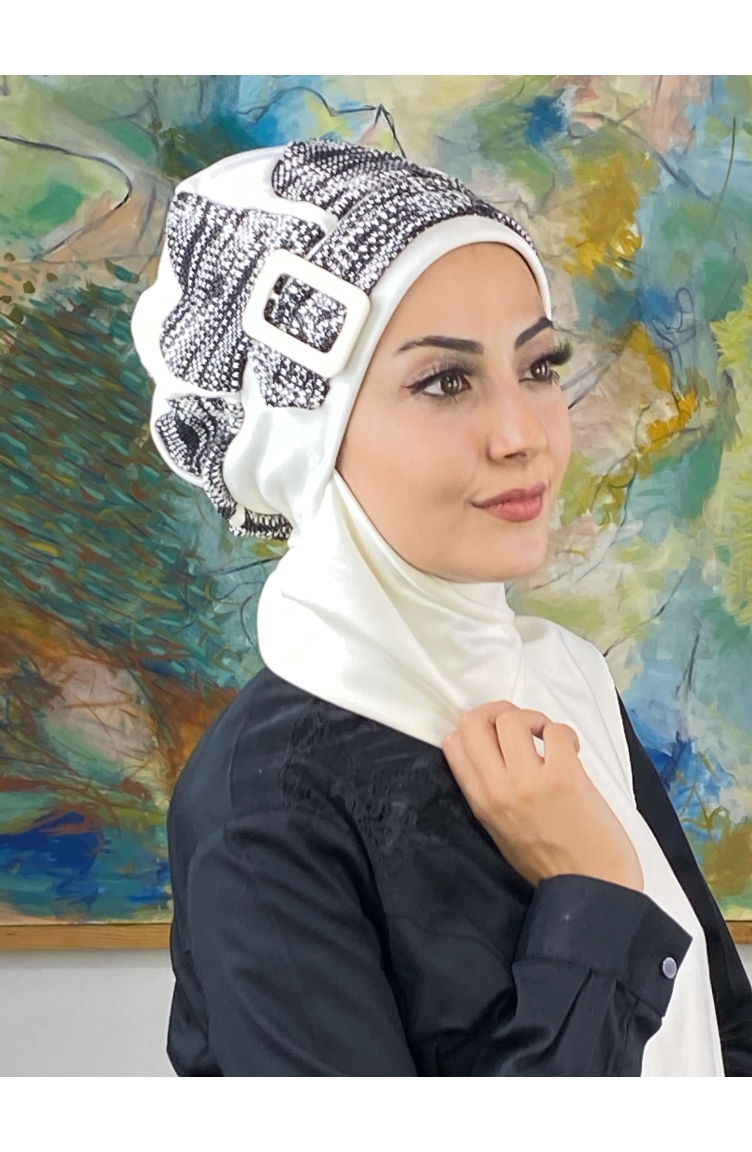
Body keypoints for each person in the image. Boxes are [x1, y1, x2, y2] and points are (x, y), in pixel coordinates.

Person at [131, 137, 752, 1076]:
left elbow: (727, 1040)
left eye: (538, 366)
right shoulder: (261, 809)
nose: (523, 435)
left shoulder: (566, 680)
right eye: (445, 382)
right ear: (306, 436)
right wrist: (592, 889)